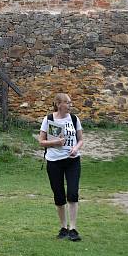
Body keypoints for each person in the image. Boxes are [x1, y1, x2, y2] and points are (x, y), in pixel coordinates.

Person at [38, 93, 84, 242]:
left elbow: (81, 140)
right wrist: (55, 143)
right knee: (59, 196)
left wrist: (76, 148)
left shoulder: (74, 119)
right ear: (59, 104)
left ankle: (73, 229)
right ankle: (63, 228)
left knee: (72, 193)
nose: (70, 105)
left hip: (72, 161)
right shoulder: (49, 119)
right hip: (54, 162)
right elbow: (41, 141)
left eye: (70, 102)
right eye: (68, 103)